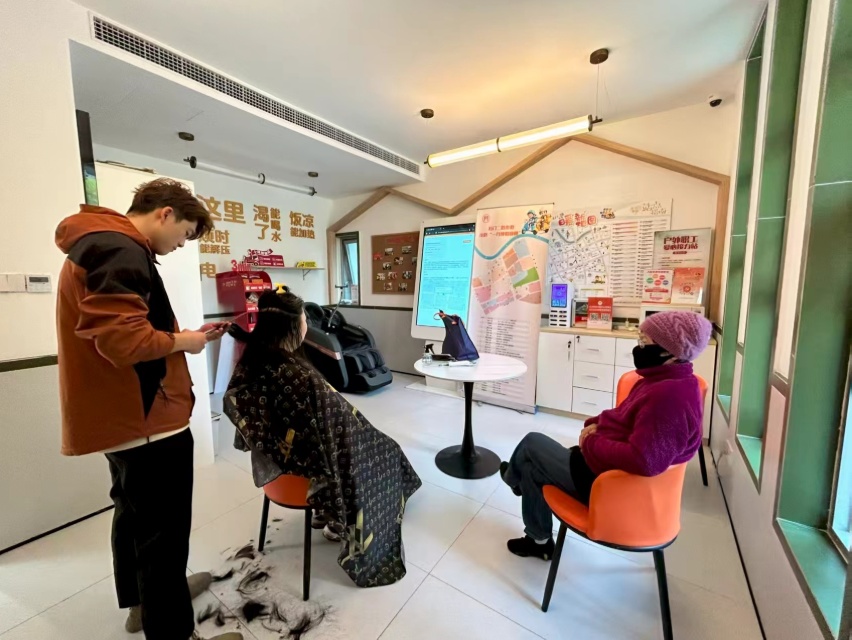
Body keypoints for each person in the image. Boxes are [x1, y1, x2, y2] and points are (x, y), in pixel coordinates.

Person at [55, 178, 240, 640]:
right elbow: (124, 342)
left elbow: (122, 329)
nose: (181, 245)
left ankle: (143, 605)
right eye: (185, 234)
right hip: (147, 423)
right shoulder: (118, 248)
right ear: (165, 213)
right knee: (163, 537)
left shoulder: (98, 243)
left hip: (123, 419)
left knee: (133, 517)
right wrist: (186, 342)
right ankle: (172, 629)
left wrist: (182, 337)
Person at [224, 290, 421, 587]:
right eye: (305, 319)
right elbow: (337, 433)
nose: (307, 324)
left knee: (356, 446)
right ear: (293, 326)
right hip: (310, 470)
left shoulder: (253, 363)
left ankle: (325, 510)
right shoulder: (299, 376)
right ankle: (335, 512)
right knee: (388, 450)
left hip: (280, 464)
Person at [501, 311, 711, 560]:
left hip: (608, 486)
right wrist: (598, 424)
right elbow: (624, 415)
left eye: (645, 342)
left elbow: (644, 461)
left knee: (532, 443)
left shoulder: (669, 399)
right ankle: (538, 541)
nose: (639, 347)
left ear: (672, 353)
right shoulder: (662, 381)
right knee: (531, 469)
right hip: (603, 469)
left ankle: (512, 479)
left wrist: (592, 442)